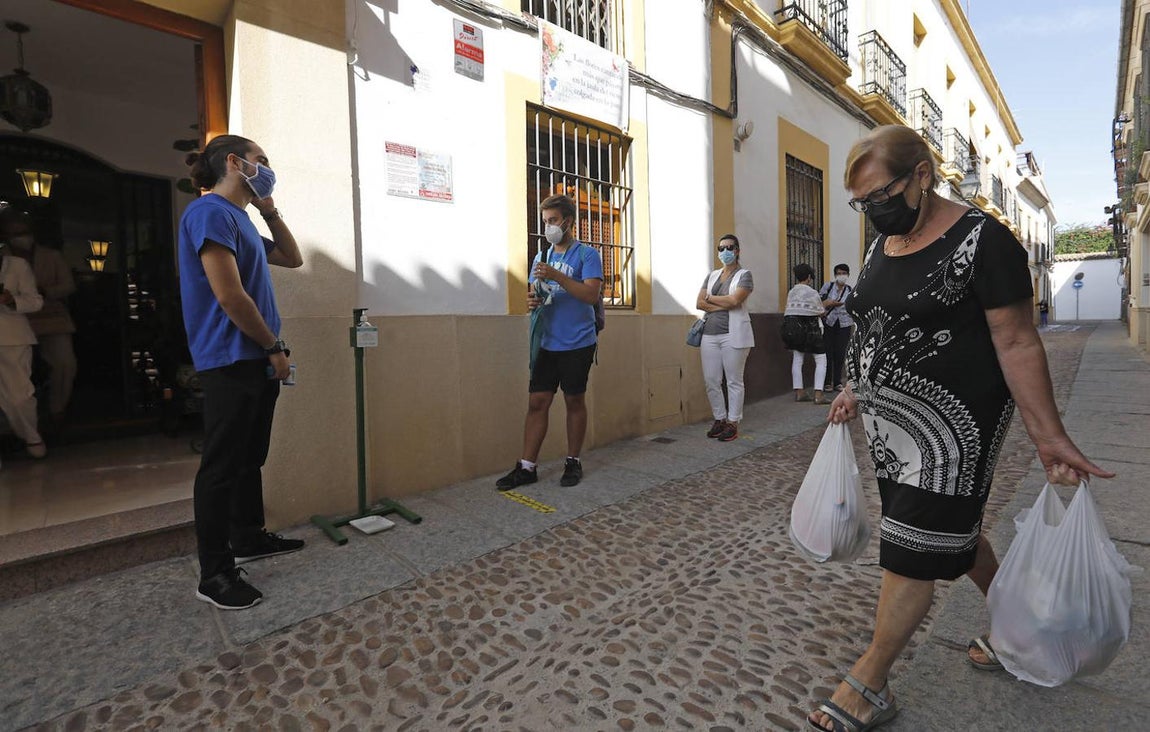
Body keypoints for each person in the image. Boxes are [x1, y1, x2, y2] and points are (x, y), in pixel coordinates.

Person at [807, 124, 1113, 732]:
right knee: (950, 531)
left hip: (954, 430)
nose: (872, 212)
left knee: (914, 547)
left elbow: (1019, 341)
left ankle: (869, 681)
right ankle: (1019, 626)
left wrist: (1048, 436)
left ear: (922, 175)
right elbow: (872, 325)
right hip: (891, 431)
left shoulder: (985, 242)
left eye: (879, 196)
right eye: (860, 204)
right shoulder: (882, 247)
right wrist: (851, 386)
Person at [178, 134, 305, 611]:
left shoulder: (242, 219)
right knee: (222, 465)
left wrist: (269, 209)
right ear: (234, 163)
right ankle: (214, 573)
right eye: (261, 161)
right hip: (231, 357)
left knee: (250, 454)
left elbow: (293, 258)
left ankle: (248, 536)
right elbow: (229, 295)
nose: (268, 168)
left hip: (256, 357)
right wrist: (273, 347)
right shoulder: (209, 212)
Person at [497, 194, 603, 491]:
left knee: (574, 400)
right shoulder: (540, 257)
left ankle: (573, 460)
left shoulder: (586, 255)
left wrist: (558, 275)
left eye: (553, 221)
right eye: (545, 221)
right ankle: (527, 466)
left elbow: (590, 295)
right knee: (537, 402)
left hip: (578, 342)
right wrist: (531, 300)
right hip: (546, 341)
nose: (548, 227)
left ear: (568, 221)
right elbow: (536, 293)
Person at [6, 219, 77, 423]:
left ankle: (57, 408)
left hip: (52, 317)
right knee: (16, 373)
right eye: (16, 233)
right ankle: (20, 420)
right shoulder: (5, 260)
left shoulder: (51, 256)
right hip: (15, 322)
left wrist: (44, 292)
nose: (21, 237)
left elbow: (68, 285)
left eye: (24, 231)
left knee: (65, 364)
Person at [696, 234, 754, 442]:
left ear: (737, 250)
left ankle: (732, 422)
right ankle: (719, 418)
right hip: (709, 335)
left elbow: (735, 301)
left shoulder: (744, 275)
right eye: (721, 249)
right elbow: (698, 303)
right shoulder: (711, 276)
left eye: (729, 247)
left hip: (733, 334)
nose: (724, 252)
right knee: (711, 380)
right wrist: (722, 301)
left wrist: (710, 299)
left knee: (733, 381)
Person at [0, 204, 46, 459]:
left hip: (12, 336)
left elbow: (35, 301)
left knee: (19, 396)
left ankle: (31, 436)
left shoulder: (16, 266)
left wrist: (10, 300)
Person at [782, 263, 829, 405]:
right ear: (809, 277)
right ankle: (818, 394)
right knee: (821, 360)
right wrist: (826, 305)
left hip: (794, 331)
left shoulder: (791, 292)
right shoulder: (812, 293)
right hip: (812, 331)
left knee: (797, 360)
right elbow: (819, 311)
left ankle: (799, 392)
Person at [819, 263, 853, 392]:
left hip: (844, 324)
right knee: (828, 352)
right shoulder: (828, 287)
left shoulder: (850, 290)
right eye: (839, 273)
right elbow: (819, 302)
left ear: (848, 275)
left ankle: (837, 381)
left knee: (840, 353)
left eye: (844, 273)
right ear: (835, 275)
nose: (842, 276)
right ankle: (827, 382)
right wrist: (829, 303)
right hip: (829, 322)